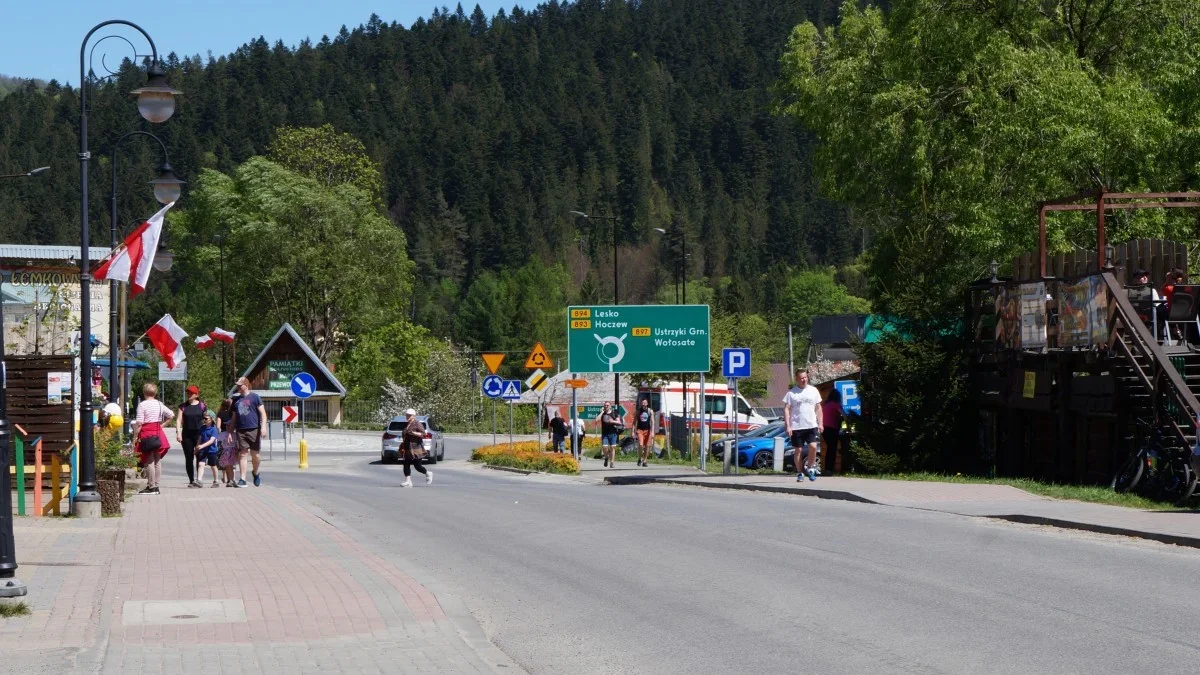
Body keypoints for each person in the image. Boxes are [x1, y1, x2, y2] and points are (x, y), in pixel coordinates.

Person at [133, 383, 174, 495]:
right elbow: (171, 415)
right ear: (155, 393)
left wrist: (135, 438)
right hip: (158, 432)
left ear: (144, 392)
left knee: (148, 460)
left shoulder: (143, 405)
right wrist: (163, 425)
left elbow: (139, 423)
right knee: (157, 459)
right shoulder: (159, 404)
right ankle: (156, 484)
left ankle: (151, 486)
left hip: (147, 433)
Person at [783, 369, 822, 482]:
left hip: (811, 424)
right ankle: (800, 472)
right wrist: (788, 426)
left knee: (813, 446)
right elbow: (786, 409)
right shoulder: (791, 393)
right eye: (801, 378)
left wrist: (820, 423)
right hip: (796, 426)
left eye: (805, 377)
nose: (804, 380)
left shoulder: (813, 390)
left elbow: (818, 407)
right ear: (797, 379)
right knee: (798, 450)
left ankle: (810, 468)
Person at [232, 377, 267, 487]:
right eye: (237, 385)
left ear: (246, 385)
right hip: (240, 430)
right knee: (243, 454)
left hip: (254, 429)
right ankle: (242, 479)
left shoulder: (255, 397)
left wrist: (263, 427)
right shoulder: (235, 400)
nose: (238, 387)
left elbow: (263, 413)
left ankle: (255, 472)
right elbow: (233, 417)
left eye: (240, 385)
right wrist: (230, 430)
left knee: (255, 455)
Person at [176, 385, 207, 488]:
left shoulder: (202, 406)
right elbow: (179, 420)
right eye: (188, 393)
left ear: (196, 395)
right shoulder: (183, 406)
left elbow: (207, 419)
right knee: (189, 458)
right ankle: (191, 480)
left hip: (199, 435)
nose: (188, 394)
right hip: (187, 435)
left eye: (191, 393)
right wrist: (178, 432)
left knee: (199, 457)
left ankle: (199, 480)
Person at [400, 408, 431, 487]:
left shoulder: (417, 423)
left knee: (417, 466)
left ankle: (428, 473)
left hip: (416, 447)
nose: (408, 416)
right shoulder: (407, 424)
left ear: (414, 416)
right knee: (406, 464)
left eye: (409, 415)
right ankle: (408, 481)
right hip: (407, 447)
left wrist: (413, 433)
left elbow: (423, 434)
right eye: (407, 415)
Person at [215, 398, 239, 487]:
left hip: (224, 437)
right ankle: (232, 479)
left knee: (227, 463)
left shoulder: (221, 413)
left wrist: (220, 432)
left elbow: (218, 426)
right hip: (234, 435)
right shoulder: (235, 413)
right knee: (233, 463)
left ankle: (229, 479)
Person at [820, 389, 844, 476]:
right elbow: (844, 415)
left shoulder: (826, 404)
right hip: (832, 429)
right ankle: (829, 469)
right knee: (832, 449)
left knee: (829, 448)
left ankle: (827, 469)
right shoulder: (836, 404)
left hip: (824, 429)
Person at [196, 410, 222, 487]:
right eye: (203, 418)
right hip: (203, 450)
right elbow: (200, 438)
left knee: (213, 465)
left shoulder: (214, 429)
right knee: (201, 464)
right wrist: (197, 447)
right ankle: (199, 481)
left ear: (212, 419)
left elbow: (211, 441)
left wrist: (202, 446)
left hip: (212, 450)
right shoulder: (202, 428)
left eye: (206, 418)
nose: (204, 420)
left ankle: (216, 481)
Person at [599, 402, 623, 468]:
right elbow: (596, 419)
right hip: (605, 433)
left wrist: (612, 421)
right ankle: (606, 458)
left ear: (610, 406)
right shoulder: (602, 414)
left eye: (607, 405)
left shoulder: (614, 413)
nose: (606, 406)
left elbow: (619, 422)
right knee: (604, 447)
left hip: (613, 433)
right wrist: (601, 412)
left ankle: (612, 462)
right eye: (605, 405)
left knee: (612, 447)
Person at [634, 398, 656, 467]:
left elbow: (652, 422)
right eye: (642, 403)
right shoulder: (638, 411)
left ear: (647, 404)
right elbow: (634, 422)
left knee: (647, 446)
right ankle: (639, 458)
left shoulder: (650, 411)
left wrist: (652, 432)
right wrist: (633, 431)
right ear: (641, 404)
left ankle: (645, 460)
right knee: (640, 444)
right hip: (640, 430)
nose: (643, 404)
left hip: (648, 430)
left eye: (645, 403)